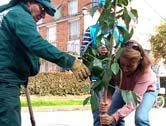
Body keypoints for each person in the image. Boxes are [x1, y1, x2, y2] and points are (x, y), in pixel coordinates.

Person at [0, 0, 90, 126]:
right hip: (5, 82)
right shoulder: (19, 15)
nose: (43, 16)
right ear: (30, 2)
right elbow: (36, 44)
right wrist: (69, 61)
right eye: (42, 9)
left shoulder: (7, 12)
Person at [80, 1, 126, 126]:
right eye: (106, 7)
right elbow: (84, 55)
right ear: (99, 9)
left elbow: (130, 53)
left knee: (118, 117)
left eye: (112, 7)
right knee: (99, 117)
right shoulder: (92, 30)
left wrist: (118, 53)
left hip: (117, 80)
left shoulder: (121, 30)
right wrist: (96, 52)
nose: (110, 10)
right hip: (98, 80)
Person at [100, 40, 160, 126]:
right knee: (111, 113)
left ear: (139, 62)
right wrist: (106, 102)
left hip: (148, 89)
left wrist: (114, 118)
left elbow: (133, 102)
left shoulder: (145, 73)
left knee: (140, 118)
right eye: (122, 65)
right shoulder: (114, 66)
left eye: (129, 66)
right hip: (124, 88)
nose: (125, 69)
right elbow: (109, 88)